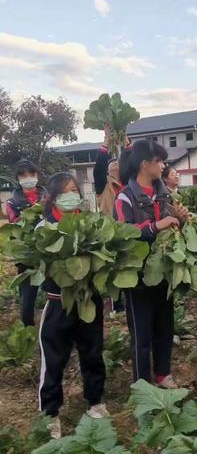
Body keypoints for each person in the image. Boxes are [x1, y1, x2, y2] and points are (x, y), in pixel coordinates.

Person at [38, 173, 108, 439]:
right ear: (54, 197)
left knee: (93, 353)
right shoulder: (44, 228)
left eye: (75, 190)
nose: (72, 195)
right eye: (66, 191)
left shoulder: (90, 224)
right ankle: (50, 414)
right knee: (54, 359)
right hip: (59, 303)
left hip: (89, 300)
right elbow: (41, 267)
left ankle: (95, 401)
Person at [114, 139, 187, 387]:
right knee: (141, 334)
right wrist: (156, 226)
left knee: (165, 328)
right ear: (146, 164)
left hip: (163, 272)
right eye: (160, 161)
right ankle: (142, 384)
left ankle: (163, 374)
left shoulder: (163, 193)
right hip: (137, 276)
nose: (164, 166)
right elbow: (124, 233)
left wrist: (180, 220)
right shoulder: (125, 197)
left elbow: (172, 228)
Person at [93, 128, 128, 313]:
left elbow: (132, 162)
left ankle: (128, 302)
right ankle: (116, 305)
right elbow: (98, 168)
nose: (115, 166)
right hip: (110, 231)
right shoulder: (103, 187)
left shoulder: (130, 186)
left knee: (127, 266)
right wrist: (106, 142)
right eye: (111, 164)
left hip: (128, 230)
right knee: (114, 268)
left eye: (118, 164)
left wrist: (126, 142)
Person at [7, 159, 45, 326]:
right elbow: (14, 225)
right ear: (18, 178)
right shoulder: (12, 202)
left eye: (32, 174)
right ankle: (28, 328)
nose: (28, 178)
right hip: (26, 253)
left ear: (37, 175)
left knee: (56, 289)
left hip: (49, 248)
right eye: (24, 175)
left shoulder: (49, 195)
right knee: (28, 294)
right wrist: (29, 213)